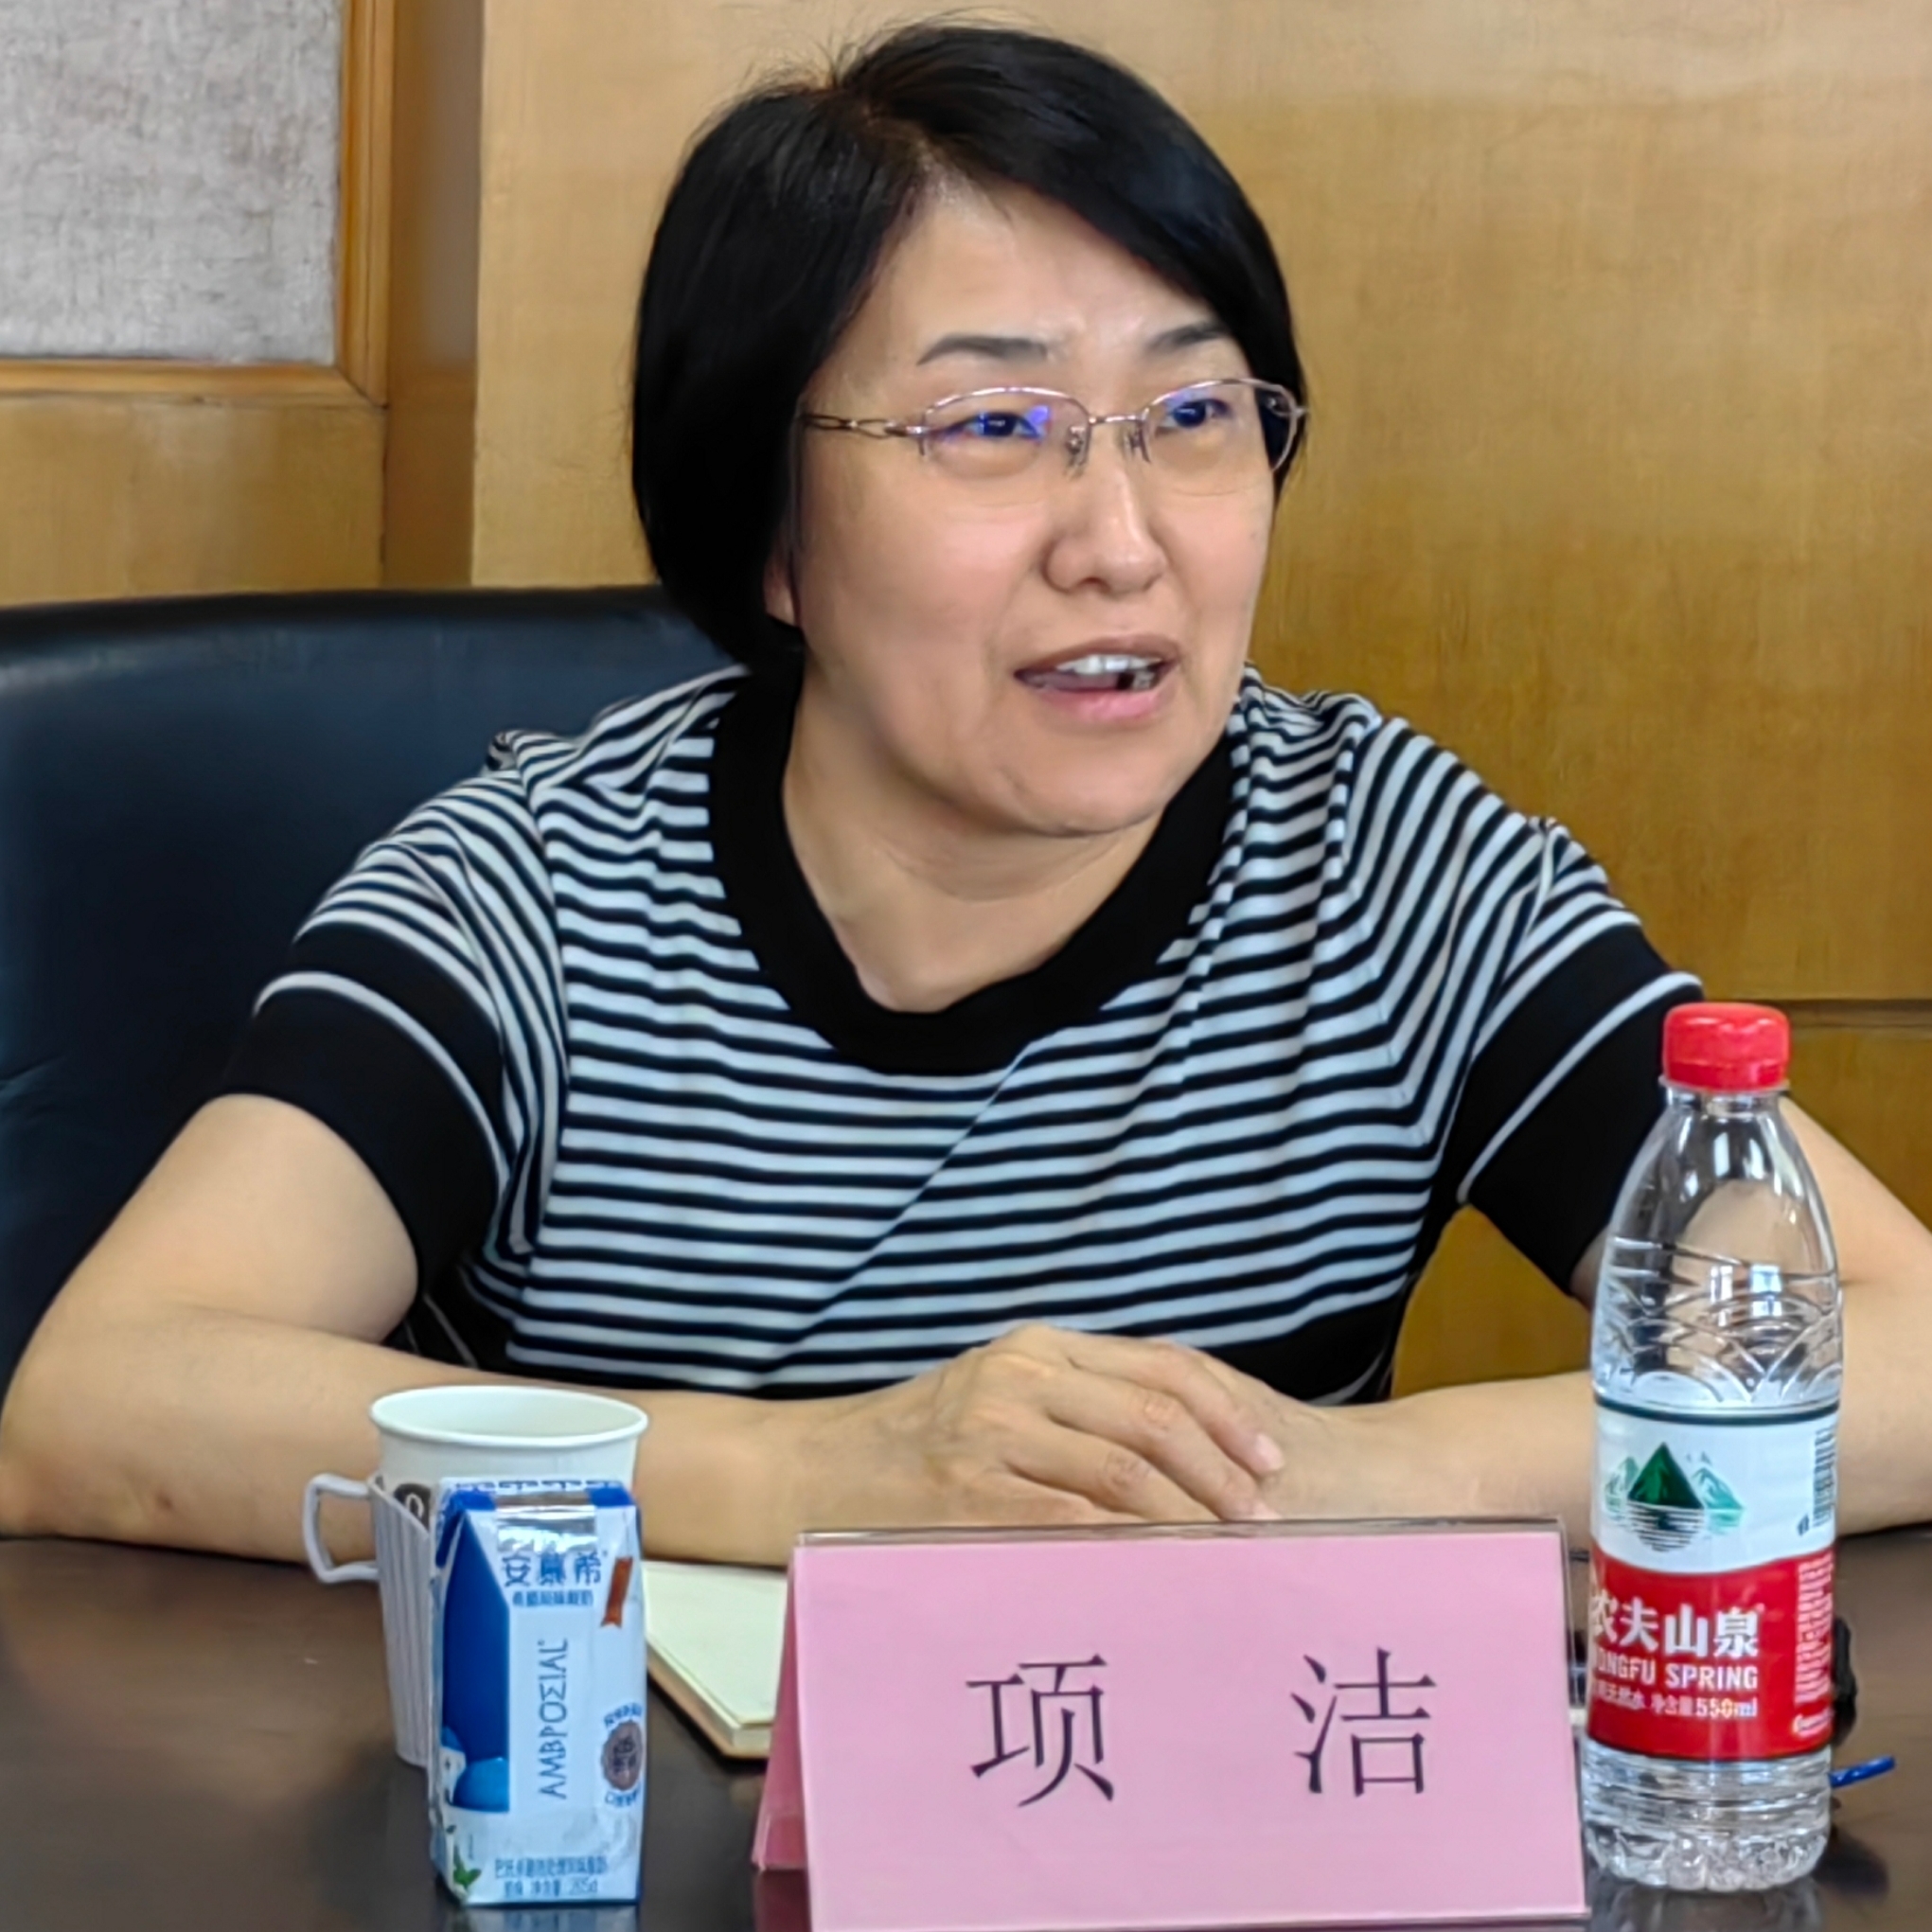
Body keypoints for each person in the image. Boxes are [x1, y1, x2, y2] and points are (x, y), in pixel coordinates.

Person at [2, 24, 1928, 1567]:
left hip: (1201, 1838)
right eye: (992, 425)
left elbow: (1904, 1348)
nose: (1122, 542)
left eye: (1192, 416)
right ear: (765, 526)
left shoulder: (1381, 866)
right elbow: (102, 1401)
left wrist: (1328, 1476)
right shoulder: (534, 904)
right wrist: (808, 1474)